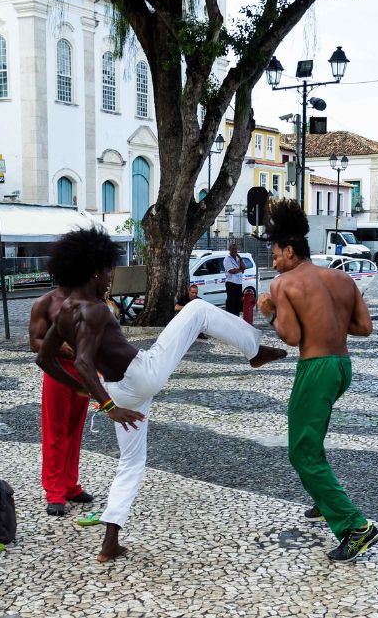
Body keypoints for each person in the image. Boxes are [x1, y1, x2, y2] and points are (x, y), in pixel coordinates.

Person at [36, 227, 286, 562]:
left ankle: (110, 540)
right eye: (109, 271)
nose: (111, 277)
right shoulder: (94, 309)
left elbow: (44, 357)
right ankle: (252, 349)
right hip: (140, 375)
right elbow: (81, 361)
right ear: (94, 271)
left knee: (132, 462)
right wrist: (107, 406)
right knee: (196, 310)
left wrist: (85, 390)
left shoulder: (65, 310)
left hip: (121, 390)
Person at [256, 200, 378, 563]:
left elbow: (291, 337)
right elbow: (364, 328)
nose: (274, 260)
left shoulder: (284, 284)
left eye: (276, 253)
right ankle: (323, 501)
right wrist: (328, 322)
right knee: (313, 438)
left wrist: (270, 313)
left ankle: (355, 527)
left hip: (316, 368)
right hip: (342, 367)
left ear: (290, 250)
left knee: (302, 451)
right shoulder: (342, 278)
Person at [29, 287, 92, 516]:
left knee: (75, 431)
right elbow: (34, 341)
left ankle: (70, 484)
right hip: (56, 371)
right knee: (55, 431)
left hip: (82, 369)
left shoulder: (87, 297)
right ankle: (54, 491)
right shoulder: (44, 302)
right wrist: (57, 346)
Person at [223, 243, 246, 316]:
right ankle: (230, 316)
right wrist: (240, 270)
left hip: (238, 283)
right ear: (229, 250)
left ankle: (236, 317)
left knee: (238, 302)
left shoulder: (238, 258)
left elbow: (244, 267)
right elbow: (232, 271)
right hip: (231, 282)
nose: (234, 251)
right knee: (231, 301)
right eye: (232, 249)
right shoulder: (227, 259)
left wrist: (240, 258)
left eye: (235, 249)